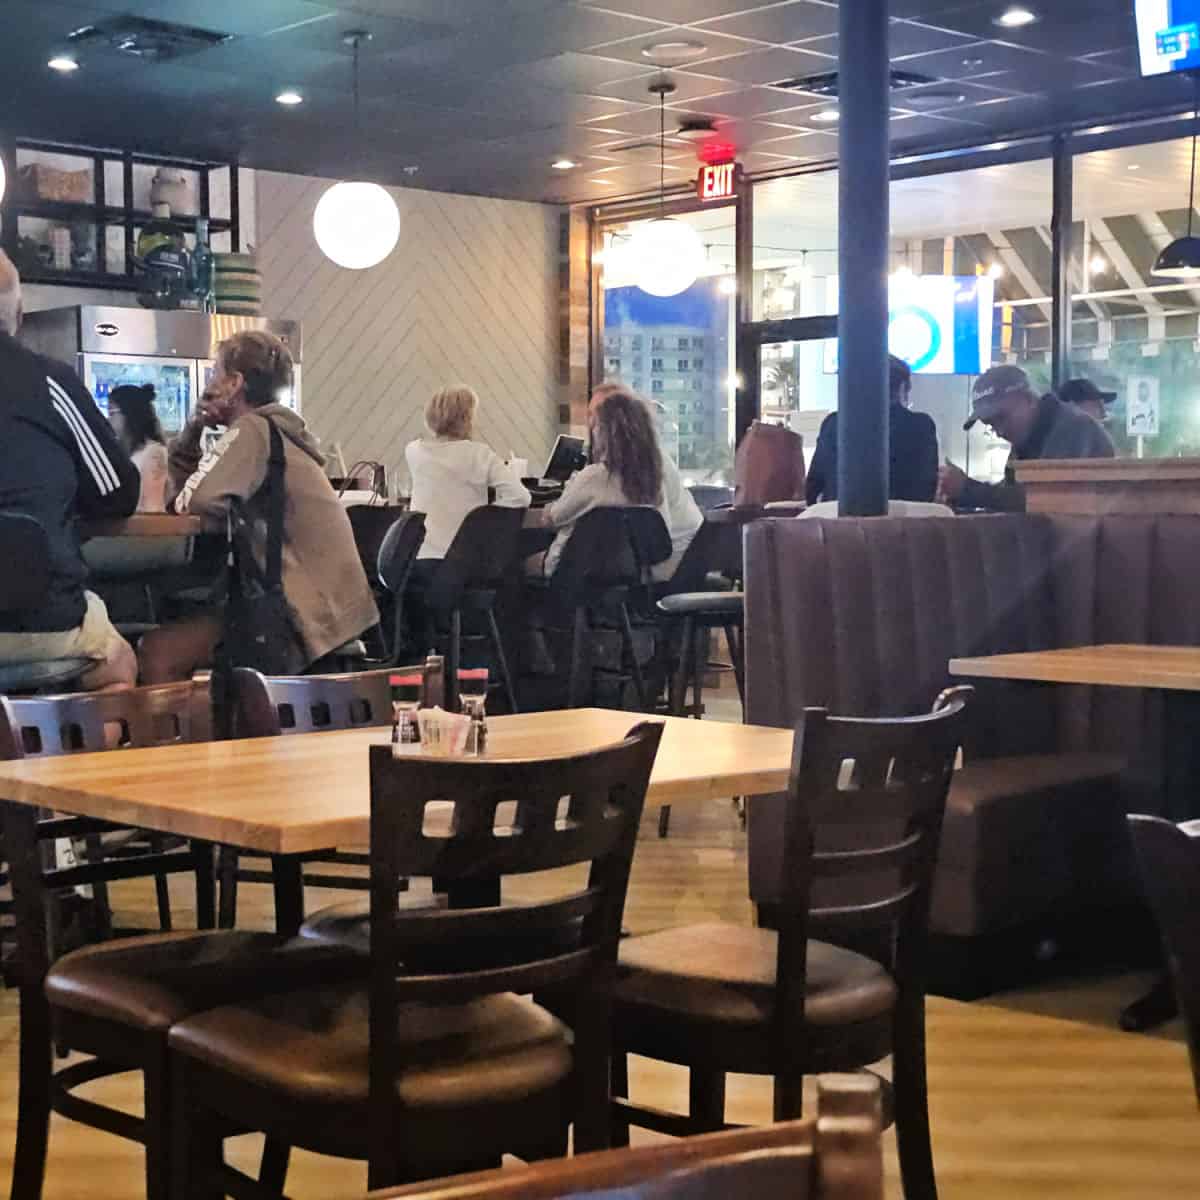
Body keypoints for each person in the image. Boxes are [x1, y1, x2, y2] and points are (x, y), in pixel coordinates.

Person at [138, 330, 378, 683]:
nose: (209, 382)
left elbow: (194, 502)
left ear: (234, 383)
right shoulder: (276, 430)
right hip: (335, 610)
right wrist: (194, 429)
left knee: (157, 651)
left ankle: (194, 739)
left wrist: (193, 431)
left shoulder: (252, 430)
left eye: (215, 372)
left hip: (301, 614)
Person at [0, 250, 141, 689]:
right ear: (19, 315)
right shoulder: (50, 382)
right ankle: (68, 755)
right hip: (40, 621)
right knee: (118, 664)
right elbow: (117, 492)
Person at [530, 385, 677, 579]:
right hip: (631, 574)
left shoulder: (594, 477)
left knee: (514, 562)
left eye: (596, 422)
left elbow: (552, 519)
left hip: (574, 569)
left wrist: (550, 507)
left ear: (605, 434)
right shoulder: (653, 481)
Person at [938, 364, 1115, 513]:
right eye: (990, 425)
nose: (999, 431)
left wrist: (967, 490)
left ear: (1028, 400)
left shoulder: (1074, 430)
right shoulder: (1031, 436)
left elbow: (1045, 500)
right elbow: (1011, 496)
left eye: (1001, 418)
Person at [406, 385, 531, 563]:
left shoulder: (413, 451)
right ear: (466, 418)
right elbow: (521, 497)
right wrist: (482, 516)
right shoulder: (479, 454)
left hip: (419, 560)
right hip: (466, 561)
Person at [590, 382, 701, 578]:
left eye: (600, 415)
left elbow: (657, 530)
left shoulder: (649, 465)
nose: (592, 424)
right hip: (684, 558)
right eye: (591, 415)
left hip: (676, 565)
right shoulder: (639, 459)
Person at [806, 356, 939, 505]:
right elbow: (927, 490)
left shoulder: (834, 423)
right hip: (905, 525)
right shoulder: (922, 426)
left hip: (838, 526)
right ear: (902, 388)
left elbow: (813, 487)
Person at [108, 383, 169, 511]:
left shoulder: (153, 454)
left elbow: (152, 509)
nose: (108, 420)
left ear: (129, 414)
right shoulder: (128, 453)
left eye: (112, 413)